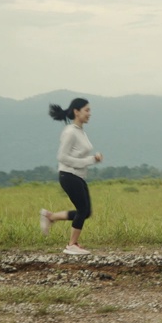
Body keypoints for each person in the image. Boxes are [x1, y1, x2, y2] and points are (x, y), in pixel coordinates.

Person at [40, 98, 103, 255]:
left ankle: (50, 216)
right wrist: (90, 160)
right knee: (82, 210)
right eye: (86, 110)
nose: (90, 113)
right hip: (69, 175)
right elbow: (62, 157)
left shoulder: (79, 131)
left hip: (78, 176)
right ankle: (71, 245)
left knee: (86, 212)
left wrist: (92, 160)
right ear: (76, 111)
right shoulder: (70, 132)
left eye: (90, 110)